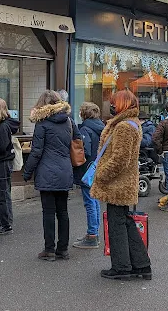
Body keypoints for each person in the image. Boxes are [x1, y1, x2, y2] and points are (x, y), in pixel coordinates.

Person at [90, 90, 151, 280]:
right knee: (125, 221)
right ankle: (141, 265)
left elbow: (119, 159)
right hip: (124, 183)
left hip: (118, 184)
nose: (112, 105)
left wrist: (101, 174)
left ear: (122, 104)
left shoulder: (124, 126)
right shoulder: (132, 123)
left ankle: (122, 267)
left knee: (117, 224)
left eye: (115, 102)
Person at [23, 90, 80, 261]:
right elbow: (77, 141)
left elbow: (36, 152)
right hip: (64, 170)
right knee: (63, 211)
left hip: (47, 172)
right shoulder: (69, 121)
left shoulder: (42, 124)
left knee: (48, 212)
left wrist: (27, 172)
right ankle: (63, 249)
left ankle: (49, 250)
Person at [74, 102, 104, 249]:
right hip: (98, 168)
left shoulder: (86, 129)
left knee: (89, 201)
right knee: (95, 200)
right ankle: (94, 233)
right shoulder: (102, 128)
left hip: (88, 170)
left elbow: (84, 151)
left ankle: (92, 234)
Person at [0, 98, 20, 235]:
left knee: (1, 194)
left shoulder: (2, 126)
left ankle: (3, 224)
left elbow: (1, 147)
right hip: (5, 163)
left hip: (1, 163)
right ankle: (6, 222)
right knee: (4, 193)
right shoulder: (6, 124)